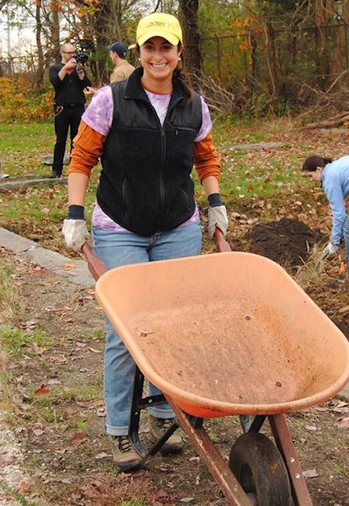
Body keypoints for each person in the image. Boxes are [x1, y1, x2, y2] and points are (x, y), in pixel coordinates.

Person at [61, 12, 228, 471]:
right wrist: (74, 215)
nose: (158, 56)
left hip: (178, 226)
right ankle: (120, 428)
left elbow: (206, 159)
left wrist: (215, 205)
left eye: (165, 47)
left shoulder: (194, 105)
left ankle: (162, 413)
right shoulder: (111, 100)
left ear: (179, 52)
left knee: (173, 324)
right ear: (139, 53)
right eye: (149, 48)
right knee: (125, 331)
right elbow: (82, 158)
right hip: (121, 227)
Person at [49, 43, 93, 178]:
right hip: (62, 107)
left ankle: (75, 168)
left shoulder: (77, 69)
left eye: (74, 52)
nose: (72, 55)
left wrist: (80, 71)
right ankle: (56, 170)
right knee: (60, 139)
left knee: (77, 140)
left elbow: (87, 85)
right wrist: (65, 68)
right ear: (62, 53)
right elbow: (55, 82)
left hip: (78, 107)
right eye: (69, 53)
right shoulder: (55, 68)